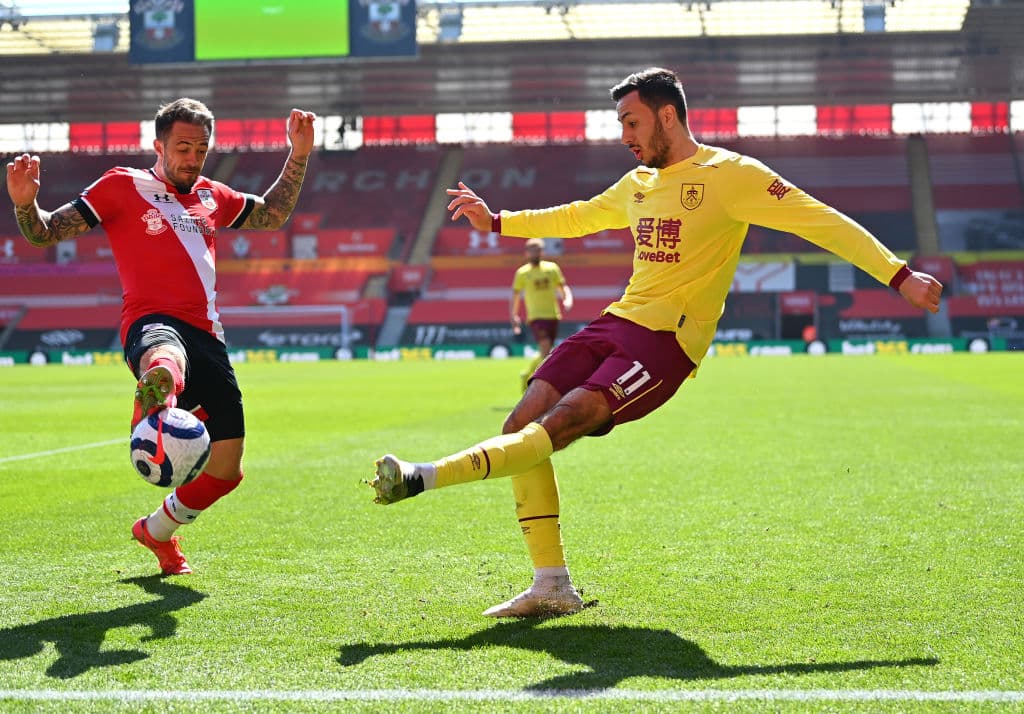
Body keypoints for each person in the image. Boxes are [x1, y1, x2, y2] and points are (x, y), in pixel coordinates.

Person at [370, 67, 943, 617]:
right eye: (621, 124)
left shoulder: (732, 175)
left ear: (667, 116)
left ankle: (423, 476)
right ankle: (551, 586)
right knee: (520, 420)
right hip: (616, 321)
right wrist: (498, 221)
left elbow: (820, 220)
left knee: (562, 423)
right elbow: (579, 216)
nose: (625, 136)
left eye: (632, 122)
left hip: (668, 341)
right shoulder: (637, 184)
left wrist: (899, 276)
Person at [6, 98, 316, 575]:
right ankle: (152, 412)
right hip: (150, 321)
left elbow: (273, 213)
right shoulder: (121, 186)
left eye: (201, 149)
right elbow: (44, 233)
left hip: (207, 334)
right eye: (183, 148)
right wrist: (25, 203)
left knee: (226, 472)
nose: (193, 158)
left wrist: (299, 154)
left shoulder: (213, 195)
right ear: (159, 146)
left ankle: (156, 531)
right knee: (166, 357)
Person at [511, 237, 573, 391]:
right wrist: (514, 315)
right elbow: (516, 295)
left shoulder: (552, 269)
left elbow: (563, 287)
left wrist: (567, 299)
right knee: (545, 348)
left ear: (542, 252)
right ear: (527, 253)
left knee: (546, 352)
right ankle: (540, 384)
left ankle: (527, 373)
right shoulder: (522, 273)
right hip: (536, 317)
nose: (535, 253)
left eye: (537, 250)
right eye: (532, 251)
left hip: (553, 315)